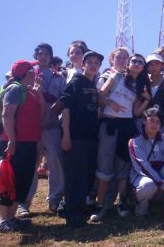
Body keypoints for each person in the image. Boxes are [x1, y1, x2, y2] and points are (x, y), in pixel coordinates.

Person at [90, 49, 150, 222]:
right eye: (134, 61)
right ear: (128, 64)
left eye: (140, 62)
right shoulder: (116, 76)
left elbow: (137, 112)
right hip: (109, 124)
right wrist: (110, 102)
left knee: (123, 167)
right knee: (104, 165)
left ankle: (122, 202)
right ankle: (100, 205)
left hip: (127, 126)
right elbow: (100, 95)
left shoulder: (139, 85)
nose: (137, 64)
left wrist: (146, 99)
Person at [0, 60, 45, 233]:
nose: (36, 72)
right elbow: (7, 114)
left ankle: (11, 217)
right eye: (33, 69)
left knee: (23, 181)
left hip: (29, 142)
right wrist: (12, 140)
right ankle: (3, 219)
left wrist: (39, 94)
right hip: (16, 143)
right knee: (9, 181)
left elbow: (43, 114)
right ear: (26, 73)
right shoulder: (15, 88)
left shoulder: (29, 91)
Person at [60, 50, 103, 228]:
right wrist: (66, 135)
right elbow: (66, 107)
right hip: (76, 136)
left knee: (86, 175)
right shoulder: (76, 81)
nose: (93, 65)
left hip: (91, 137)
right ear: (83, 64)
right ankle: (72, 214)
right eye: (90, 62)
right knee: (75, 176)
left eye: (97, 63)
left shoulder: (93, 84)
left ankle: (77, 209)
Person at [25, 42, 66, 215]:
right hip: (31, 126)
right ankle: (24, 202)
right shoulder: (28, 73)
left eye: (47, 54)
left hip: (52, 125)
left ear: (50, 57)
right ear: (36, 56)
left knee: (55, 160)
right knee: (30, 163)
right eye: (40, 53)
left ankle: (55, 199)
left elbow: (64, 97)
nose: (43, 56)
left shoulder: (59, 76)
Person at [129, 107, 164, 218]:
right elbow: (144, 168)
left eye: (158, 121)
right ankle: (141, 211)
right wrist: (163, 185)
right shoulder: (135, 142)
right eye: (151, 120)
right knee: (148, 185)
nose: (154, 124)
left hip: (163, 186)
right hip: (145, 182)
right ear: (144, 121)